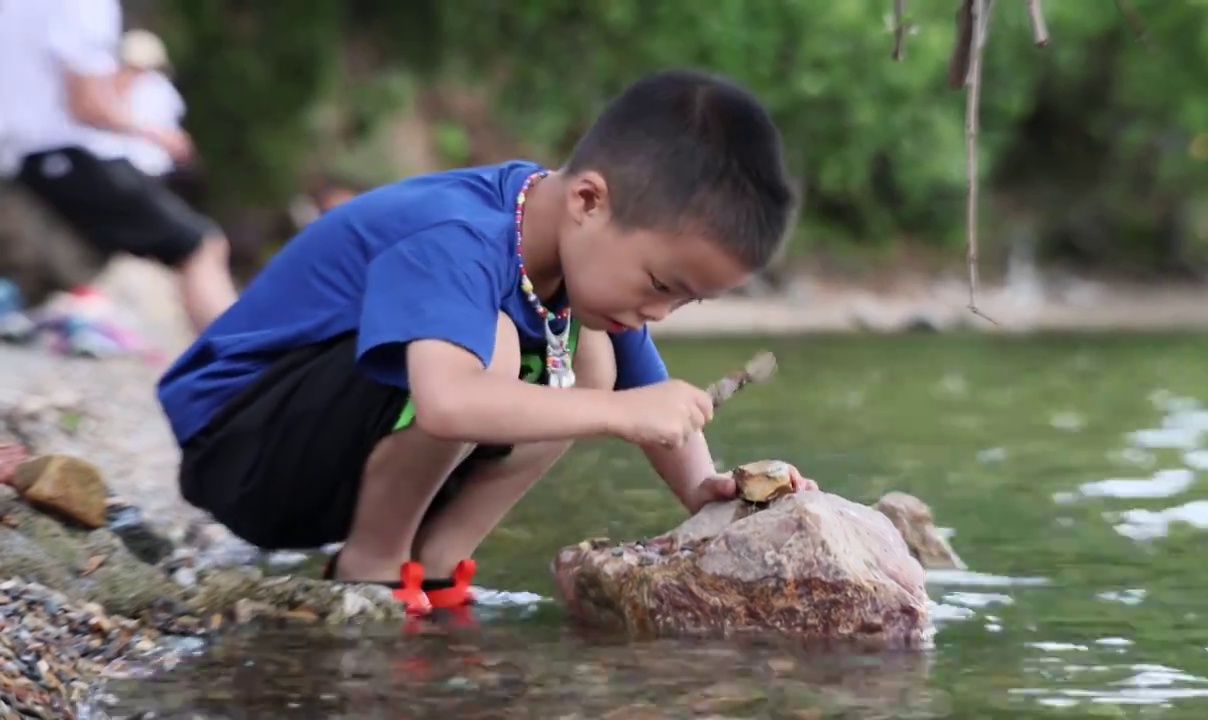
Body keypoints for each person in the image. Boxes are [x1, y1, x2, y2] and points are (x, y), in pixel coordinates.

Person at [156, 68, 819, 613]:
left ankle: (436, 567)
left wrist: (706, 486)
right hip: (241, 448)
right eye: (659, 284)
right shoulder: (461, 238)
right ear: (590, 201)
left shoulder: (576, 264)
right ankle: (372, 569)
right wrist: (618, 414)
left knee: (591, 356)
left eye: (684, 299)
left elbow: (642, 392)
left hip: (323, 458)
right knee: (497, 347)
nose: (661, 312)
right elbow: (446, 403)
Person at [0, 0, 237, 335]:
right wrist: (155, 133)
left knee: (58, 273)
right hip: (66, 154)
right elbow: (86, 103)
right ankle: (240, 369)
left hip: (25, 158)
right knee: (201, 245)